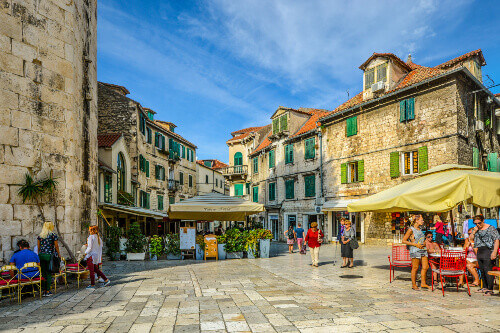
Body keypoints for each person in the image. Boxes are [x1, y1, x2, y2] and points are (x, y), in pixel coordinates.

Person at [470, 215, 500, 296]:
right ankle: (485, 287)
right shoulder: (476, 229)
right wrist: (474, 231)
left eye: (479, 223)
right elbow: (471, 238)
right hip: (480, 250)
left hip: (488, 250)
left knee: (488, 269)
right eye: (476, 223)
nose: (478, 225)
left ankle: (490, 289)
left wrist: (494, 252)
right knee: (482, 269)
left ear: (483, 221)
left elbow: (496, 240)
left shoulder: (491, 228)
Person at [402, 214, 430, 290]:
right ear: (416, 221)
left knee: (426, 266)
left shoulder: (420, 229)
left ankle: (423, 283)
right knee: (415, 267)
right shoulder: (411, 229)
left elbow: (421, 239)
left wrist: (424, 242)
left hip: (423, 250)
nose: (423, 221)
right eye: (422, 220)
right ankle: (414, 284)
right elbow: (403, 240)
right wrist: (415, 244)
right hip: (415, 250)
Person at [37, 221, 61, 297]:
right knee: (48, 273)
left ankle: (43, 290)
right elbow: (56, 246)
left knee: (43, 273)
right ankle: (47, 290)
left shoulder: (40, 235)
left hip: (41, 255)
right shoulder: (53, 235)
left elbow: (38, 247)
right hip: (49, 255)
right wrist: (59, 254)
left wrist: (39, 255)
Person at [85, 226, 110, 290]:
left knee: (91, 271)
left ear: (90, 230)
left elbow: (90, 247)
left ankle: (92, 284)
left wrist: (85, 252)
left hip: (91, 256)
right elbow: (99, 247)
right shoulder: (98, 237)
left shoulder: (91, 237)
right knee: (96, 269)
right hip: (96, 256)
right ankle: (106, 280)